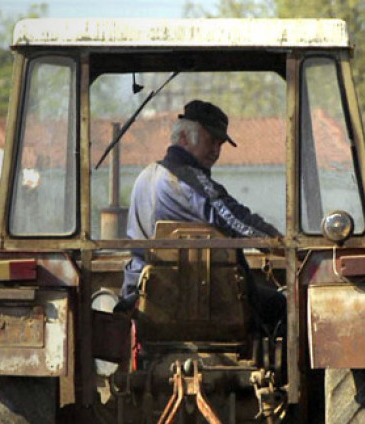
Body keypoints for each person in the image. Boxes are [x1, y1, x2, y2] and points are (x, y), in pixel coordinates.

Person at [119, 100, 283, 328]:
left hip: (144, 292)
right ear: (184, 138)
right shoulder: (187, 180)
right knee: (278, 304)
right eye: (211, 141)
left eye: (220, 144)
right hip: (190, 293)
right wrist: (280, 244)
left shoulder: (147, 175)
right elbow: (236, 220)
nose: (216, 150)